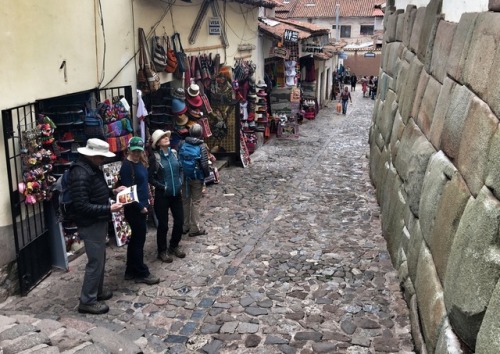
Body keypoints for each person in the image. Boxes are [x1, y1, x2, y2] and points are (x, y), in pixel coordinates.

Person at [69, 138, 124, 315]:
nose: (103, 160)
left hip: (97, 220)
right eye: (101, 157)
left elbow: (97, 190)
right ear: (93, 156)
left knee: (100, 258)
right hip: (90, 222)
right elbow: (82, 206)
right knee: (95, 261)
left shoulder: (91, 168)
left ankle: (96, 292)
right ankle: (87, 300)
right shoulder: (81, 173)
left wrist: (113, 192)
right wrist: (108, 208)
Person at [120, 137, 160, 284]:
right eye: (134, 150)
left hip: (143, 204)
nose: (137, 153)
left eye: (139, 150)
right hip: (135, 209)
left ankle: (130, 270)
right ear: (129, 149)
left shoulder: (140, 163)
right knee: (138, 241)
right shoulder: (126, 166)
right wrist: (141, 207)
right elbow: (129, 192)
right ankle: (141, 272)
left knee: (135, 240)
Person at [148, 129, 186, 263]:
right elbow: (150, 178)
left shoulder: (174, 153)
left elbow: (180, 168)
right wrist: (163, 186)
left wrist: (180, 182)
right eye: (162, 137)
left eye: (166, 136)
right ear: (158, 143)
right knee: (163, 225)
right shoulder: (155, 158)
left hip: (176, 194)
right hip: (162, 196)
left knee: (180, 221)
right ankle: (162, 251)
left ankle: (174, 245)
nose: (166, 138)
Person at [178, 123, 210, 237]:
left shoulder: (182, 143)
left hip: (184, 177)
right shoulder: (202, 146)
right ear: (200, 133)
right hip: (197, 177)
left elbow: (179, 158)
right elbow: (204, 164)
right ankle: (194, 228)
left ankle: (184, 226)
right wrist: (206, 176)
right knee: (195, 202)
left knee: (185, 201)